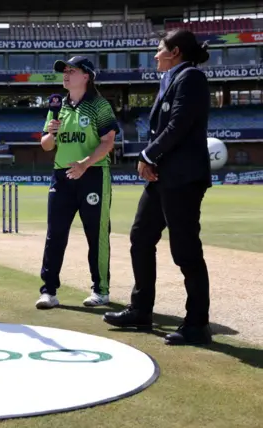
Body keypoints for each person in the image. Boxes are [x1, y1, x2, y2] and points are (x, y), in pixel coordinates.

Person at [103, 29, 213, 346]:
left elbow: (179, 125)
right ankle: (140, 310)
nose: (155, 55)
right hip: (162, 176)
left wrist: (147, 155)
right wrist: (152, 161)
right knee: (140, 237)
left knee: (185, 250)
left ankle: (197, 324)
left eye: (159, 49)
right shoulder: (172, 78)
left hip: (182, 179)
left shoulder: (190, 78)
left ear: (175, 51)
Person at [36, 56, 120, 310]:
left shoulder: (99, 105)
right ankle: (48, 291)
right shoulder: (56, 106)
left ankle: (100, 290)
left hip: (93, 175)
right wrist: (51, 133)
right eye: (65, 71)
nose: (66, 74)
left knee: (96, 234)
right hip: (62, 176)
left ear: (87, 76)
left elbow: (108, 141)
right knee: (55, 235)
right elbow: (46, 145)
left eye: (72, 70)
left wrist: (85, 163)